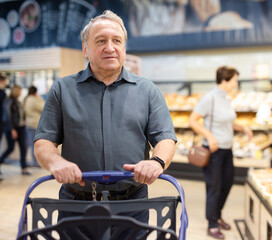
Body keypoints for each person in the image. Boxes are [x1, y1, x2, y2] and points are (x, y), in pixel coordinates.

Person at [34, 9, 176, 230]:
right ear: (85, 49)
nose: (110, 48)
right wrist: (56, 162)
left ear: (124, 47)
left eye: (116, 41)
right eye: (101, 41)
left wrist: (156, 162)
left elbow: (165, 138)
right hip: (75, 204)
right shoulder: (62, 90)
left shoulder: (148, 91)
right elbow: (44, 142)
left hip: (132, 205)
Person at [189, 66, 253, 239]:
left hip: (227, 150)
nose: (236, 83)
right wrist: (209, 136)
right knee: (214, 188)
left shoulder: (226, 98)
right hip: (213, 151)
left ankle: (217, 217)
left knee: (227, 184)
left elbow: (227, 122)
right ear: (225, 81)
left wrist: (243, 128)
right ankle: (211, 224)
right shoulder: (209, 98)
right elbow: (193, 121)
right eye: (234, 80)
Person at [0, 85, 29, 175]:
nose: (21, 92)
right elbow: (7, 116)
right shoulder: (9, 101)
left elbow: (20, 113)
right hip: (13, 129)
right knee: (10, 148)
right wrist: (12, 129)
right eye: (20, 91)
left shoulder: (17, 102)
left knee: (23, 148)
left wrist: (23, 121)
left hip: (20, 127)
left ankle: (23, 168)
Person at [23, 86, 44, 168]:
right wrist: (39, 98)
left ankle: (34, 162)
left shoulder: (26, 99)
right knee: (36, 146)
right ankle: (36, 163)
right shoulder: (34, 100)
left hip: (28, 124)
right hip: (35, 125)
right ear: (35, 92)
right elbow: (43, 107)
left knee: (31, 146)